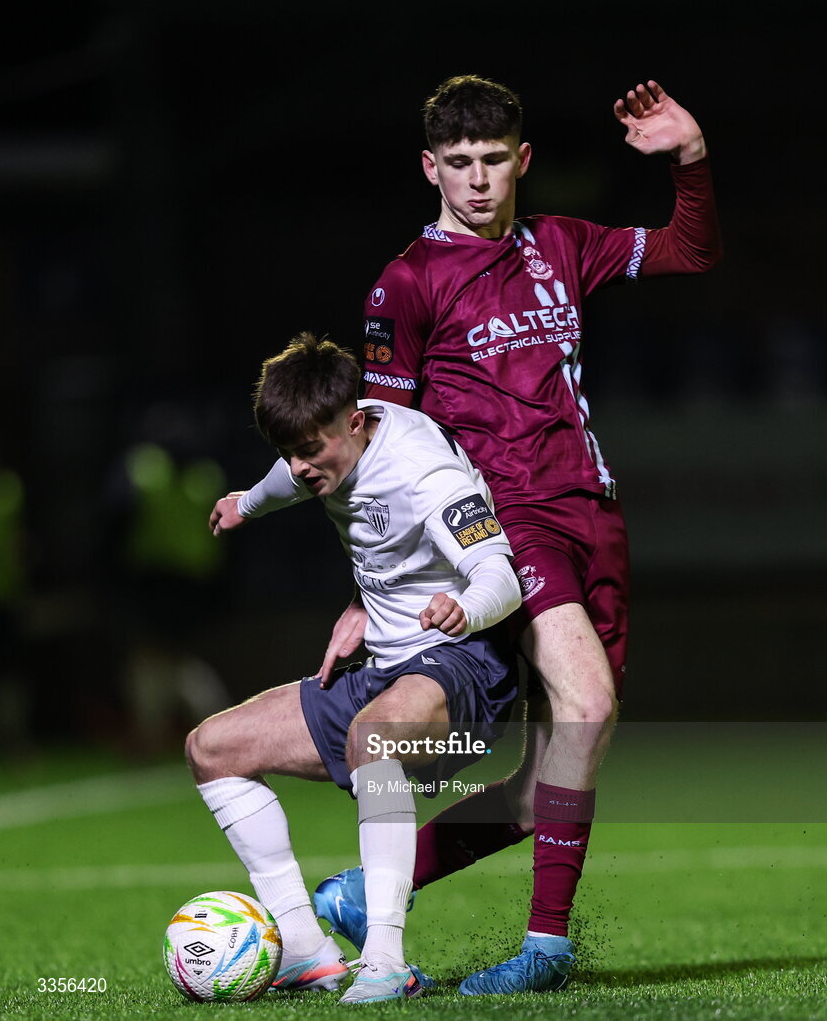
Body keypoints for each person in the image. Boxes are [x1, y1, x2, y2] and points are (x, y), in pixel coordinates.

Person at [242, 77, 723, 994]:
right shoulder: (407, 284)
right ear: (430, 168)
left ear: (521, 160)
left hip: (595, 516)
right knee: (587, 706)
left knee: (549, 769)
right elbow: (372, 450)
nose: (475, 181)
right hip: (505, 524)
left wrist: (689, 159)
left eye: (492, 160)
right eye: (457, 164)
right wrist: (366, 589)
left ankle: (361, 892)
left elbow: (692, 252)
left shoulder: (562, 245)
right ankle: (546, 947)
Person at [191, 331, 525, 1003]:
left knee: (374, 740)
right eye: (289, 450)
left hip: (466, 669)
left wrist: (464, 606)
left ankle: (385, 958)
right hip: (390, 669)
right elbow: (290, 474)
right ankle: (305, 949)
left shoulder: (422, 469)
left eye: (312, 448)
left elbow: (502, 575)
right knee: (212, 747)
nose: (302, 465)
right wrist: (247, 502)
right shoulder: (324, 445)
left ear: (357, 420)